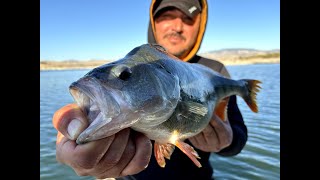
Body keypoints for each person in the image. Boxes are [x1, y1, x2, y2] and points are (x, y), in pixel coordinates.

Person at [52, 0, 248, 179]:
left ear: (200, 25)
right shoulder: (138, 65)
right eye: (167, 16)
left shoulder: (215, 71)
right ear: (153, 23)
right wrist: (75, 130)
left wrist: (227, 142)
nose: (177, 26)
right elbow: (82, 116)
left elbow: (238, 136)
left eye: (188, 18)